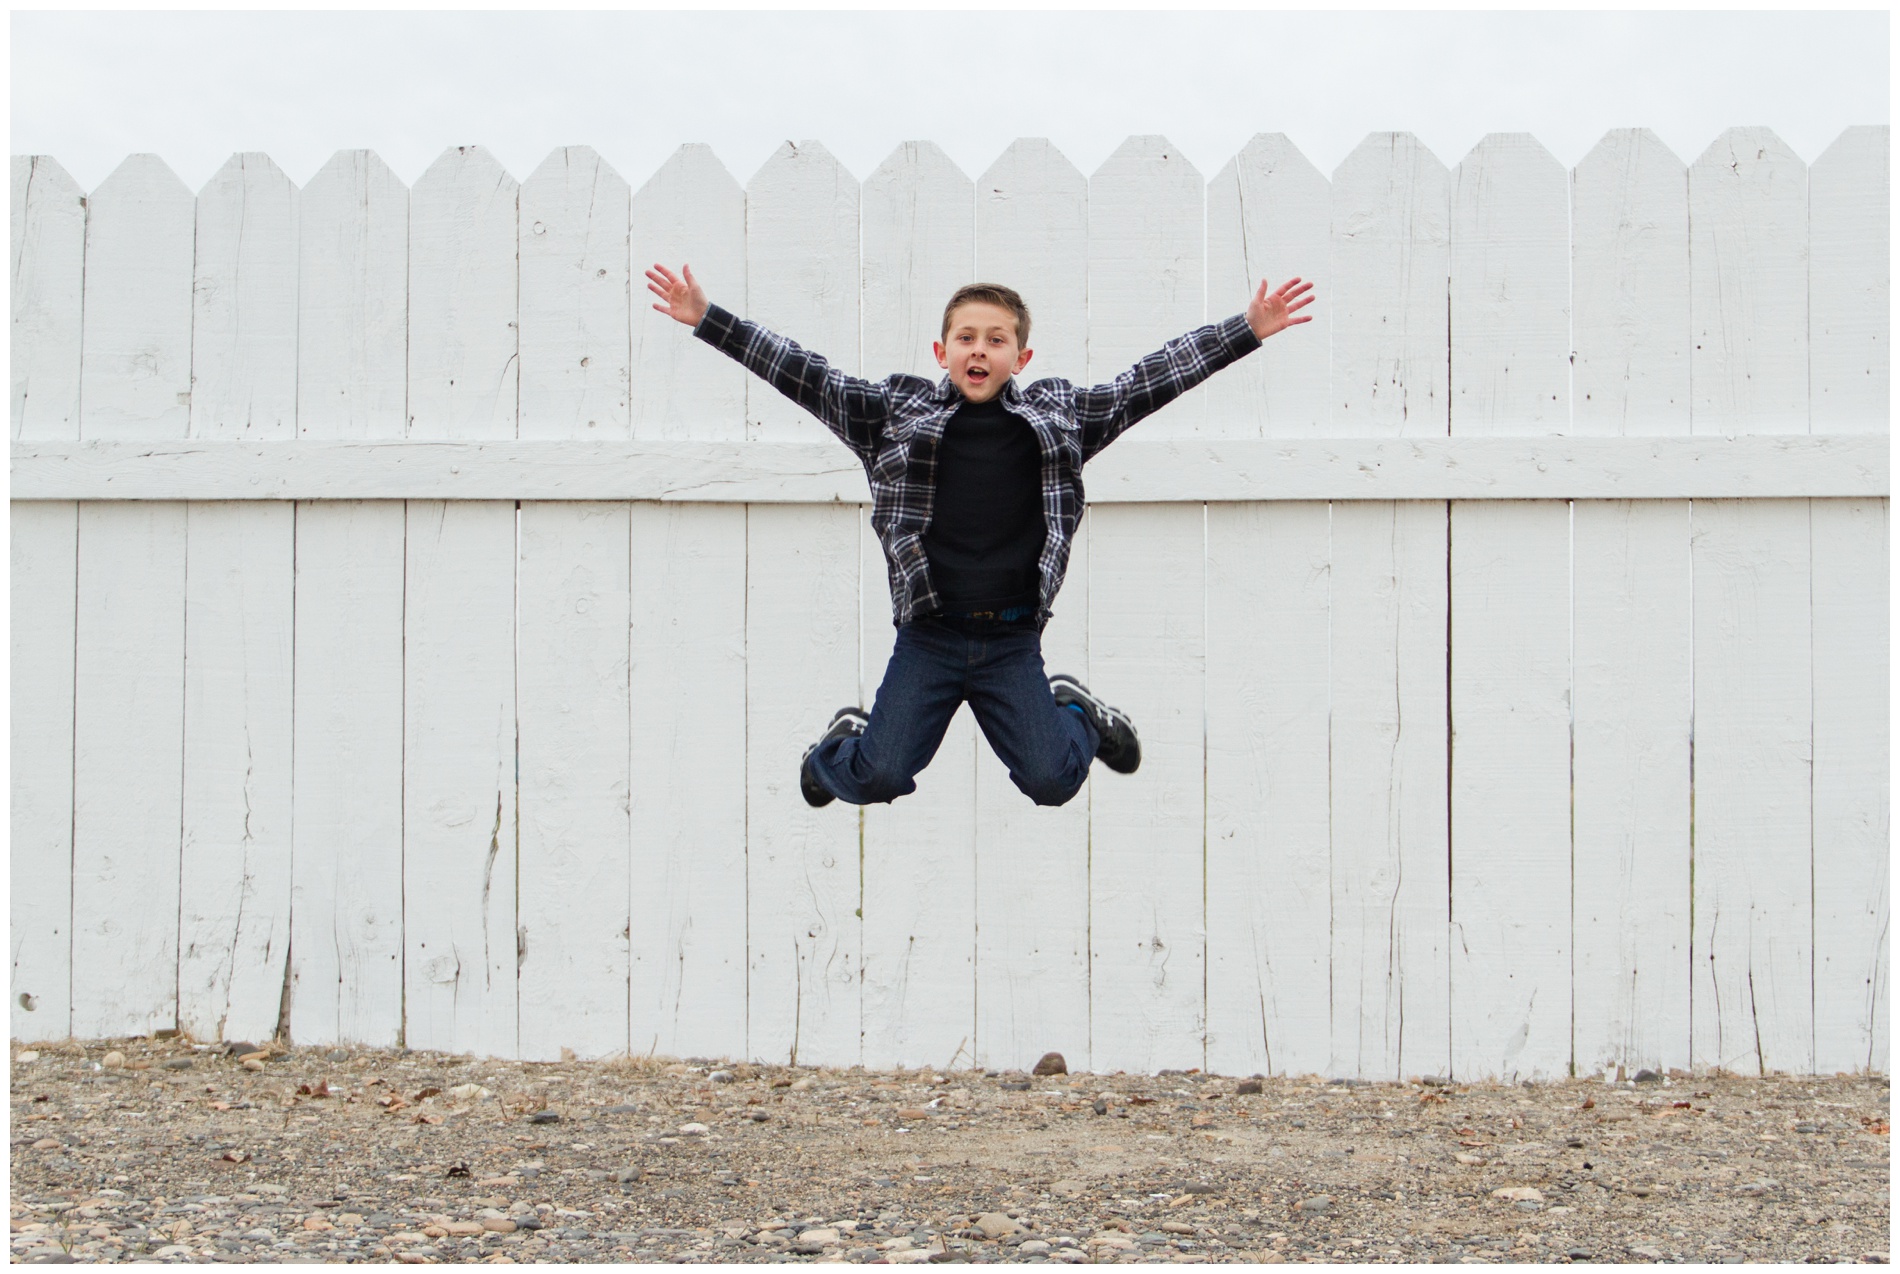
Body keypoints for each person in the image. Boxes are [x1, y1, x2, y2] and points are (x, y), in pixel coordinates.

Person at [646, 263, 1314, 808]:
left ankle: (1078, 713)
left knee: (1052, 782)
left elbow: (1146, 382)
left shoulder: (1060, 419)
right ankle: (837, 748)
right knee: (877, 776)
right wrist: (710, 320)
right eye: (966, 337)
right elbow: (805, 373)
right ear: (942, 352)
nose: (979, 349)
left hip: (1010, 640)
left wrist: (1245, 331)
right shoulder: (892, 416)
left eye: (996, 339)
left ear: (1020, 356)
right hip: (931, 637)